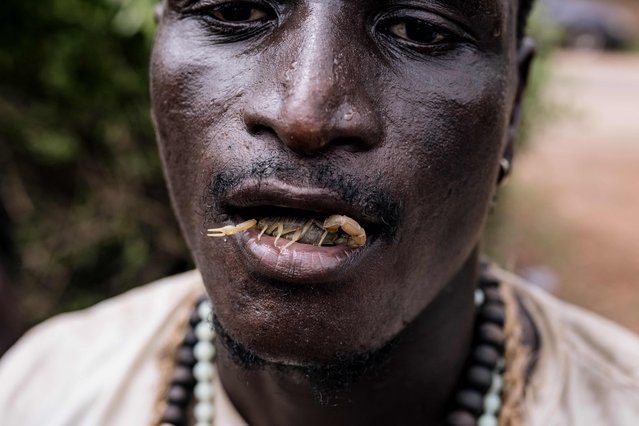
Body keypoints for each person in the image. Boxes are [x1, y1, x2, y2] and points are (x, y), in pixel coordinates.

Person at [1, 0, 638, 425]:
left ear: (513, 110)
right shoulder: (39, 392)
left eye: (420, 29)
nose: (304, 113)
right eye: (235, 10)